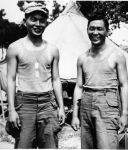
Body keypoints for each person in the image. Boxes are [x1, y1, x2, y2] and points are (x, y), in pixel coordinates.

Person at [6, 2, 65, 149]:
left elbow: (56, 79)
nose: (38, 24)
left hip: (48, 103)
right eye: (33, 19)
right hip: (24, 103)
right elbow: (11, 79)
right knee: (24, 145)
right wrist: (12, 110)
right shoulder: (15, 47)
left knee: (50, 145)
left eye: (42, 20)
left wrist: (61, 107)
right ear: (26, 20)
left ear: (46, 23)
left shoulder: (53, 50)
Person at [71, 14, 128, 149]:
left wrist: (124, 113)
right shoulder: (82, 58)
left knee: (107, 146)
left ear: (106, 31)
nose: (95, 32)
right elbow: (79, 87)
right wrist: (75, 114)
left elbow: (124, 85)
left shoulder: (117, 55)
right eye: (91, 29)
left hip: (107, 105)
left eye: (99, 29)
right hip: (86, 104)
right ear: (87, 31)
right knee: (88, 146)